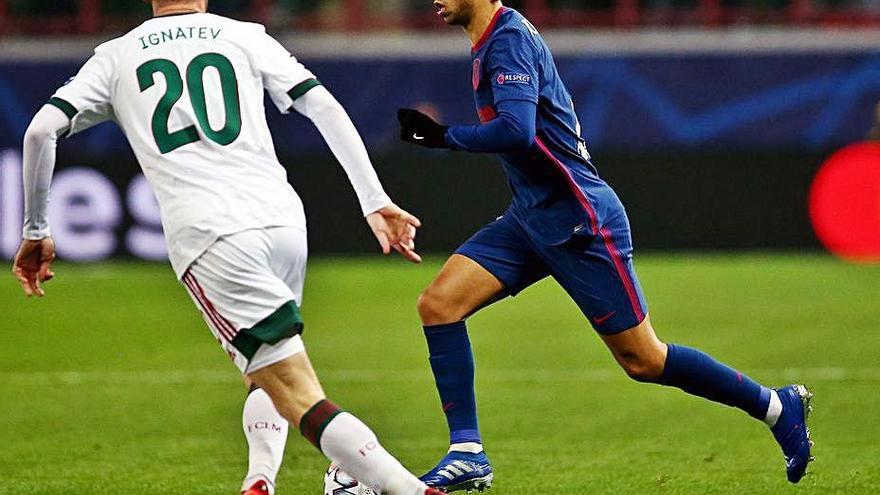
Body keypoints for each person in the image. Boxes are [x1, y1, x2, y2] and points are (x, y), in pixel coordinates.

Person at [11, 2, 443, 495]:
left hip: (212, 234)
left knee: (297, 391)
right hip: (281, 220)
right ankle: (258, 481)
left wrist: (36, 228)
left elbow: (41, 130)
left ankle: (408, 489)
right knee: (263, 369)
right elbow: (321, 103)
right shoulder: (244, 34)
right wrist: (375, 199)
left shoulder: (116, 56)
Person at [396, 0, 814, 491]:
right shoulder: (492, 40)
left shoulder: (506, 41)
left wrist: (445, 137)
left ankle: (775, 405)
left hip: (579, 220)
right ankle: (467, 453)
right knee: (439, 305)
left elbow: (517, 131)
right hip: (532, 216)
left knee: (644, 360)